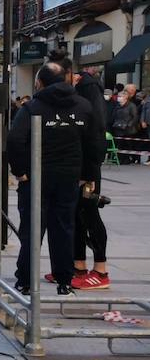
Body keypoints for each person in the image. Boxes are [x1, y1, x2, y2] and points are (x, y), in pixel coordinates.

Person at [8, 63, 101, 297]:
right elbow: (94, 143)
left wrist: (20, 172)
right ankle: (64, 280)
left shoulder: (32, 107)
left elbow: (15, 140)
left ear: (40, 82)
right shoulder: (83, 106)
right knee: (64, 229)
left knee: (31, 229)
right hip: (69, 178)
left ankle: (26, 281)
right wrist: (87, 175)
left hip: (36, 177)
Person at [69, 67, 110, 290]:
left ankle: (101, 269)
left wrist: (90, 175)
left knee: (90, 215)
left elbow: (95, 137)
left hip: (88, 171)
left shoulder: (90, 91)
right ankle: (79, 266)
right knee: (76, 217)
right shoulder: (81, 96)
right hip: (78, 168)